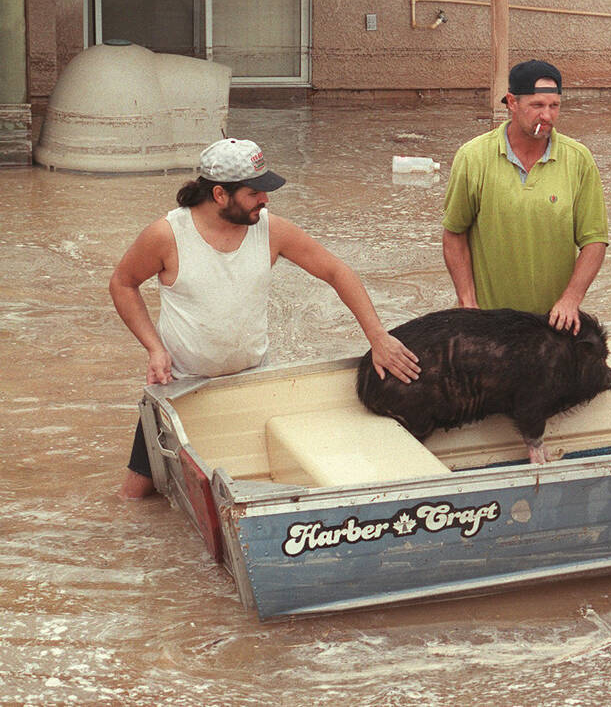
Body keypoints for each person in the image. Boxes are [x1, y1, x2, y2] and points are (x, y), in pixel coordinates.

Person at [110, 137, 420, 499]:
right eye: (255, 192)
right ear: (220, 194)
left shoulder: (270, 230)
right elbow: (122, 283)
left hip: (252, 382)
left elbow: (336, 271)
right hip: (180, 386)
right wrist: (154, 348)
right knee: (134, 498)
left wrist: (378, 337)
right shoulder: (167, 235)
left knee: (256, 488)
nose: (265, 200)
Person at [442, 60, 608, 334]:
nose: (547, 116)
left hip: (553, 325)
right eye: (537, 106)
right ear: (511, 103)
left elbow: (595, 240)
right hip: (489, 324)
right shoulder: (473, 157)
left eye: (554, 106)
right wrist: (467, 302)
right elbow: (454, 234)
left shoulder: (579, 159)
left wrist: (570, 300)